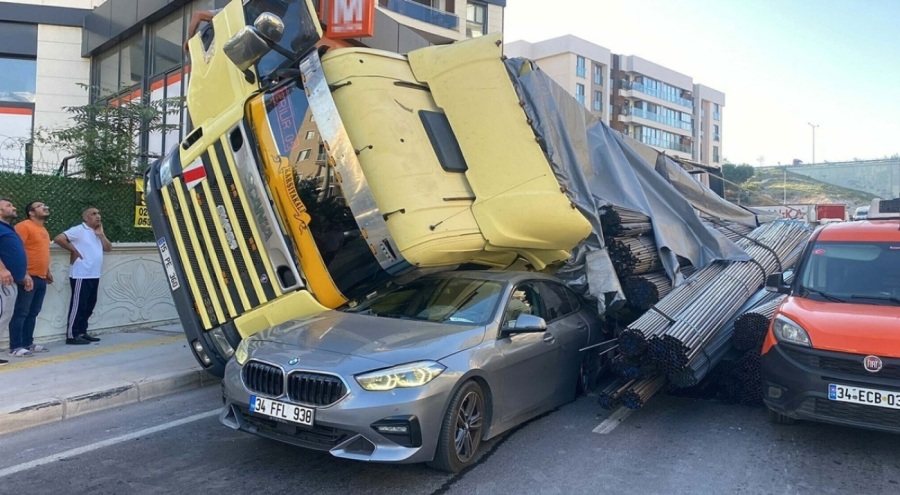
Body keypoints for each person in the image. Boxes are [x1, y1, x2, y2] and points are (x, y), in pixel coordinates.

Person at [54, 207, 112, 345]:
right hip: (81, 274)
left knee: (89, 305)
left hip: (94, 274)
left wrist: (101, 235)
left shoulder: (97, 232)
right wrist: (74, 250)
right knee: (78, 305)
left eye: (99, 213)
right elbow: (59, 238)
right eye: (93, 214)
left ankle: (82, 332)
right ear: (85, 218)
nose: (98, 216)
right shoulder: (79, 230)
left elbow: (108, 248)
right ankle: (72, 335)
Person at [9, 201, 53, 357]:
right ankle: (15, 346)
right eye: (41, 206)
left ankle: (28, 343)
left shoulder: (43, 229)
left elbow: (40, 251)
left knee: (33, 312)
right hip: (28, 277)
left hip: (40, 277)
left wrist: (46, 271)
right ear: (32, 212)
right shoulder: (24, 226)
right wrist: (24, 273)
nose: (45, 207)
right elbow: (16, 250)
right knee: (21, 312)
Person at [0, 198, 30, 364]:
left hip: (11, 281)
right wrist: (2, 269)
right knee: (2, 315)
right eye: (8, 206)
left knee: (5, 315)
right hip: (3, 281)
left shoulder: (8, 229)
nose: (14, 207)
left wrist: (24, 274)